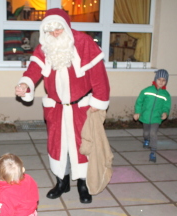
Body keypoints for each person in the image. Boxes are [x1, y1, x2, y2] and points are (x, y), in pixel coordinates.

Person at [15, 8, 110, 204]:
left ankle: (83, 184)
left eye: (58, 29)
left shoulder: (84, 43)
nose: (55, 33)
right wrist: (25, 84)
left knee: (81, 145)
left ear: (66, 27)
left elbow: (99, 76)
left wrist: (98, 102)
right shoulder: (45, 47)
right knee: (58, 146)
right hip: (56, 108)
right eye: (50, 30)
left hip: (82, 107)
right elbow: (34, 69)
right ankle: (62, 181)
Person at [133, 69, 171, 163]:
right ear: (155, 79)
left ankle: (153, 151)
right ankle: (146, 139)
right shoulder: (147, 90)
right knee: (146, 133)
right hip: (145, 116)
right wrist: (137, 112)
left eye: (164, 80)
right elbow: (139, 101)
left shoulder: (166, 95)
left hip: (156, 118)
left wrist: (165, 112)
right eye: (159, 79)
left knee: (153, 133)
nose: (161, 82)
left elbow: (166, 106)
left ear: (166, 82)